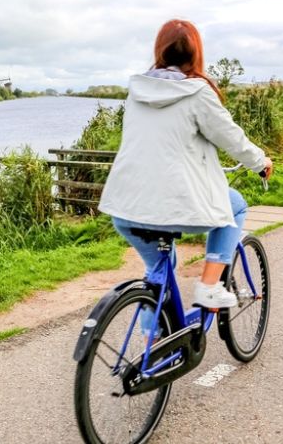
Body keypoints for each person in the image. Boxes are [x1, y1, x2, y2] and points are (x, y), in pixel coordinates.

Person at [98, 19, 274, 309]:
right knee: (237, 206)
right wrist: (260, 162)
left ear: (160, 51)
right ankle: (209, 287)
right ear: (195, 54)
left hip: (126, 206)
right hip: (177, 205)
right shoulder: (198, 92)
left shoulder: (136, 92)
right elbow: (232, 139)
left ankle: (151, 346)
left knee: (158, 275)